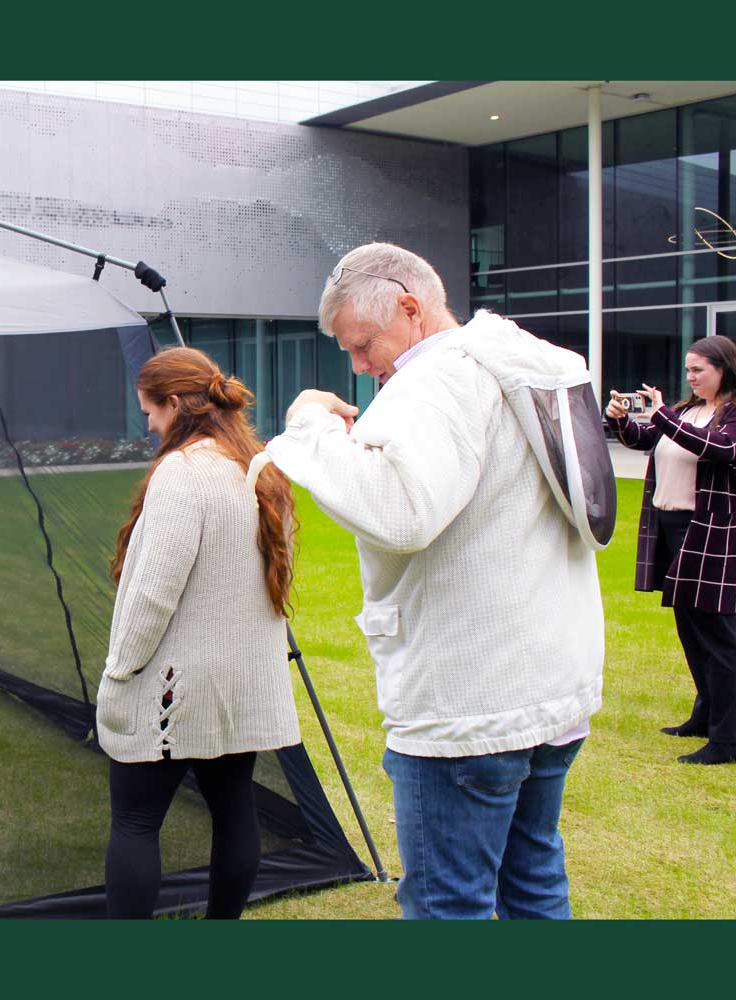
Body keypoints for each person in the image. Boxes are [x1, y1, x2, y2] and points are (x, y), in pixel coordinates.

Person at [262, 242, 605, 920]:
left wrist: (308, 427)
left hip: (468, 700)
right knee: (533, 881)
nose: (359, 365)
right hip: (550, 686)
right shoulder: (522, 364)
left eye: (362, 344)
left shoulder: (436, 379)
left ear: (412, 309)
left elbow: (400, 511)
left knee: (449, 905)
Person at [96, 346, 301, 920]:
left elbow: (152, 594)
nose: (150, 425)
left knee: (135, 823)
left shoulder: (183, 474)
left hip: (172, 686)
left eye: (151, 412)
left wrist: (120, 670)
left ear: (175, 404)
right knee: (235, 810)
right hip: (242, 683)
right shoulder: (261, 467)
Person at [606, 335, 736, 766]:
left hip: (712, 531)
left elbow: (720, 448)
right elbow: (648, 439)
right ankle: (705, 714)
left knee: (718, 637)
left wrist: (662, 415)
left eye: (699, 369)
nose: (691, 377)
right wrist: (623, 421)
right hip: (673, 525)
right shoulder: (688, 409)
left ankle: (729, 741)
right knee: (691, 630)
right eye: (688, 369)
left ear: (724, 368)